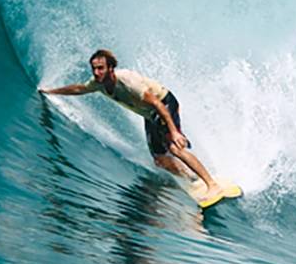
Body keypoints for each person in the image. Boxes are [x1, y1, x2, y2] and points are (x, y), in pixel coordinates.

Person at [40, 49, 220, 190]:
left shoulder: (128, 83)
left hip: (164, 104)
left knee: (174, 147)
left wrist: (174, 131)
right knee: (159, 160)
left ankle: (211, 184)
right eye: (94, 68)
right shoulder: (98, 84)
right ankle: (191, 178)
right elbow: (78, 89)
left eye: (100, 68)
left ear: (111, 68)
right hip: (150, 115)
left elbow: (157, 103)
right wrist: (51, 91)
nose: (96, 72)